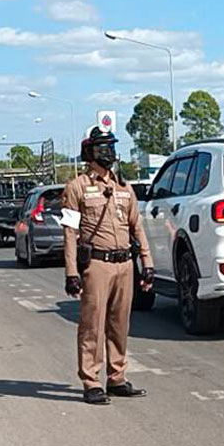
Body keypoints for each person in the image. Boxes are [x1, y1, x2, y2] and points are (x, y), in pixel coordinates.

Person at [61, 125, 154, 404]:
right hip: (97, 266)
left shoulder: (124, 187)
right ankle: (91, 381)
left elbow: (137, 228)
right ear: (89, 152)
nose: (109, 153)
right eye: (103, 147)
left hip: (124, 264)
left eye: (112, 147)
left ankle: (117, 378)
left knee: (119, 324)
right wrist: (72, 273)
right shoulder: (77, 187)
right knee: (92, 325)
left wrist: (146, 262)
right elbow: (69, 233)